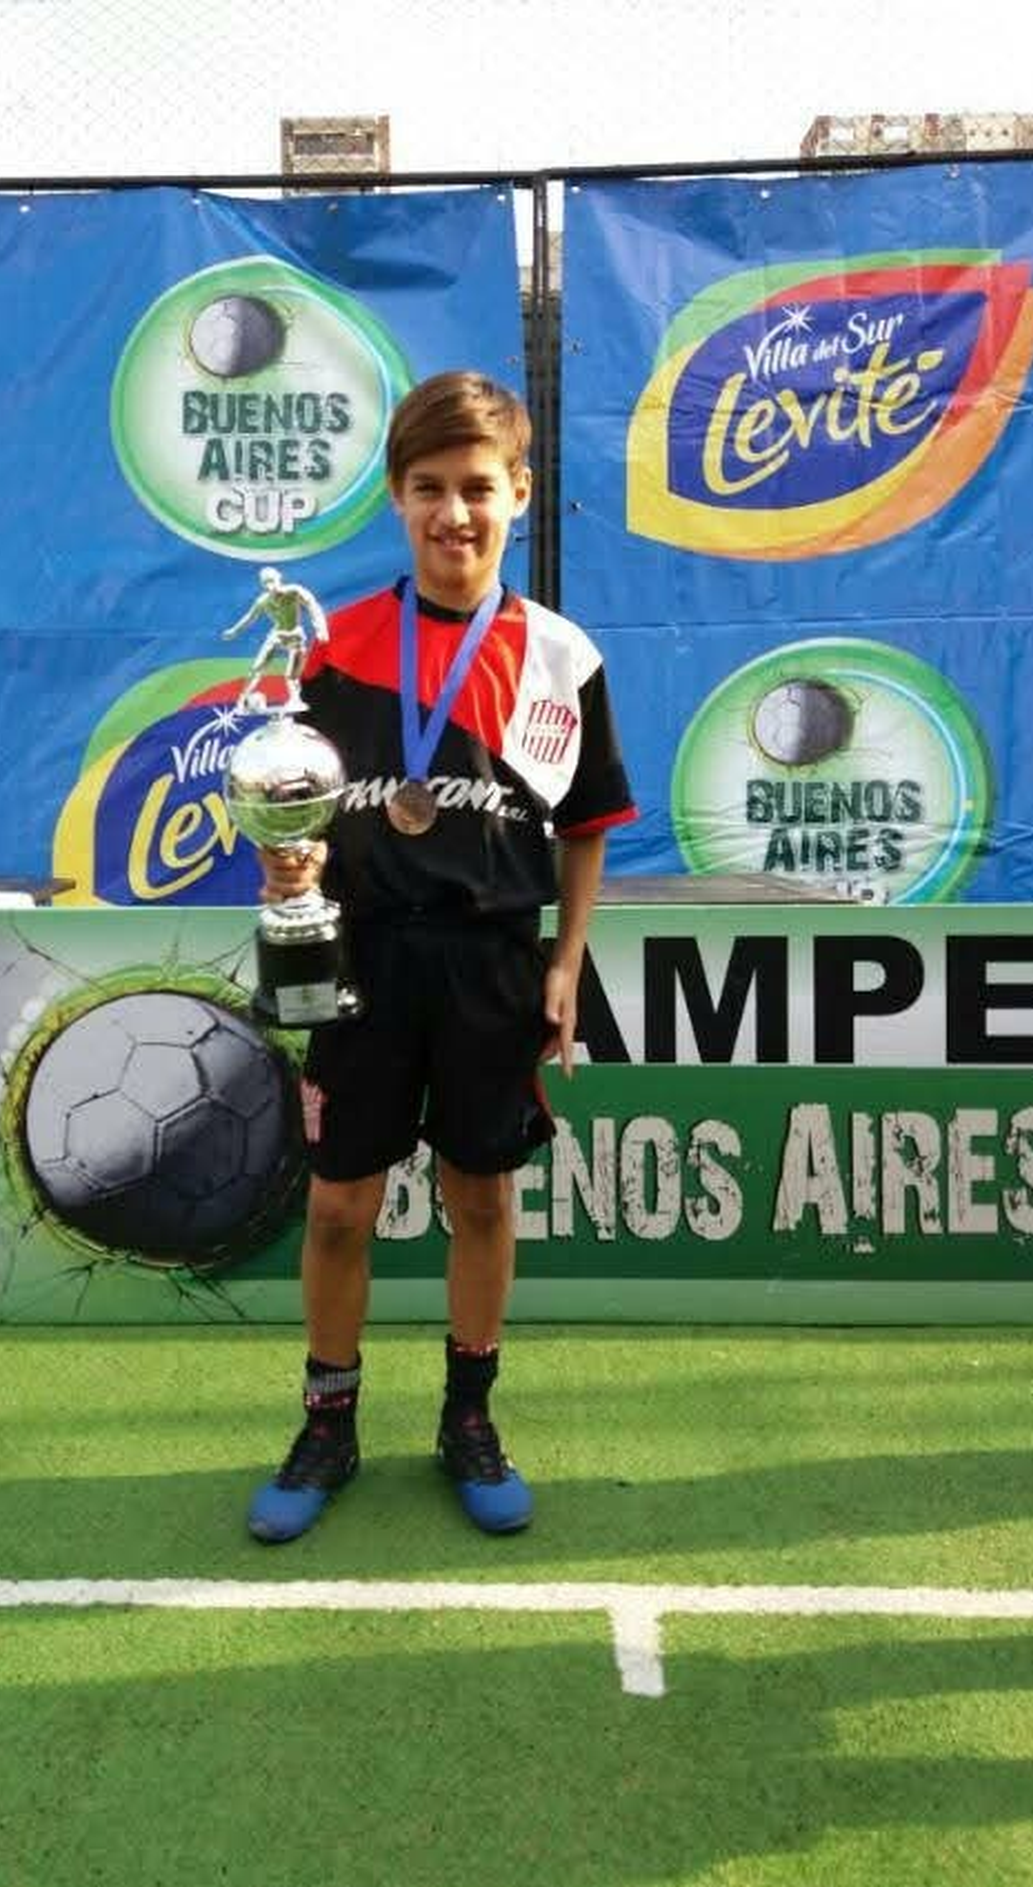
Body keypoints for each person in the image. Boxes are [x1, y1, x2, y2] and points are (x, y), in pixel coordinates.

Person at [246, 369, 636, 1544]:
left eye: (477, 488)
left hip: (489, 968)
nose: (453, 513)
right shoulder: (336, 647)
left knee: (480, 1198)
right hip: (357, 962)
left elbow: (586, 831)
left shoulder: (560, 656)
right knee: (338, 1207)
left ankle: (469, 1416)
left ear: (519, 493)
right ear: (395, 497)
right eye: (428, 489)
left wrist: (566, 964)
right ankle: (329, 1420)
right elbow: (293, 808)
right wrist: (288, 870)